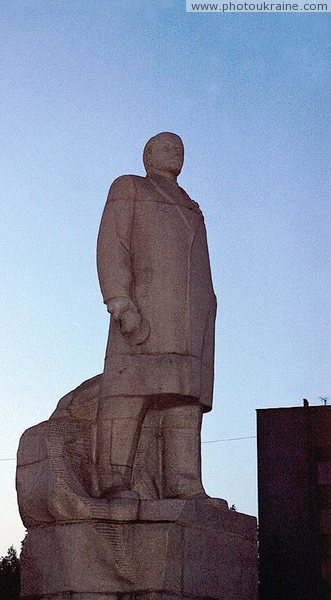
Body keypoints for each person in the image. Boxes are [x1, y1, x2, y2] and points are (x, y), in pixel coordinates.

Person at [96, 132, 217, 501]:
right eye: (167, 146)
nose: (177, 150)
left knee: (183, 400)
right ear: (147, 155)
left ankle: (184, 481)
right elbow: (112, 243)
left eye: (180, 146)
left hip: (191, 320)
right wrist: (119, 300)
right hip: (145, 311)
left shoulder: (191, 205)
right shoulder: (129, 186)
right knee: (129, 395)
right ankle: (114, 480)